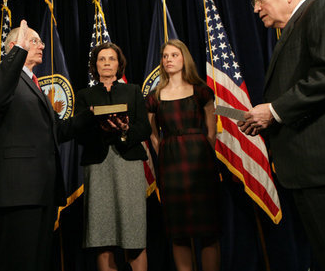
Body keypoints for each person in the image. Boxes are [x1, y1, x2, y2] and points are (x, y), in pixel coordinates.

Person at [239, 0, 325, 271]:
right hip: (307, 173)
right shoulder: (290, 30)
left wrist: (273, 111)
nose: (257, 8)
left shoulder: (324, 6)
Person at [0, 20, 92, 271]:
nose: (41, 45)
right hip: (17, 190)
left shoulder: (34, 84)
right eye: (34, 41)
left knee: (38, 262)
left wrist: (90, 117)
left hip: (42, 189)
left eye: (40, 41)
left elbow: (54, 132)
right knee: (17, 262)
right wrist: (16, 53)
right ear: (13, 46)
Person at [75, 42, 151, 271]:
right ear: (94, 65)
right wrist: (102, 130)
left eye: (111, 59)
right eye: (101, 59)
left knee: (134, 236)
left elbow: (145, 129)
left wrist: (125, 131)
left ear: (119, 65)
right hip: (98, 167)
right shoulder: (84, 95)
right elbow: (79, 133)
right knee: (102, 237)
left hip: (129, 164)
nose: (107, 63)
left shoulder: (133, 91)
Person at [146, 40, 220, 271]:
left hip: (201, 165)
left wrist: (199, 150)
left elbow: (211, 132)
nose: (168, 59)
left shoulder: (201, 91)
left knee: (208, 230)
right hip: (171, 167)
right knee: (178, 231)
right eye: (165, 55)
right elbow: (153, 136)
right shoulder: (154, 97)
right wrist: (167, 154)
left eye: (174, 55)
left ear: (184, 58)